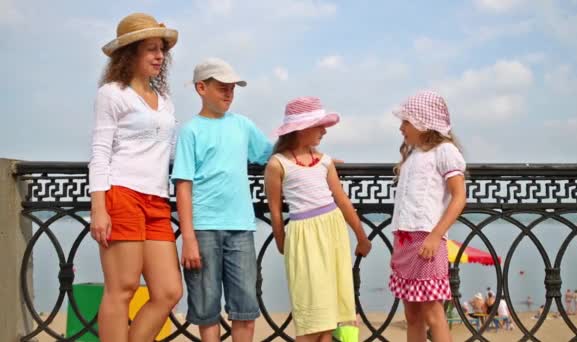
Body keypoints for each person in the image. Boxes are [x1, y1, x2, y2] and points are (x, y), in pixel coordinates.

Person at [88, 13, 182, 341]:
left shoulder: (165, 101)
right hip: (121, 194)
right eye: (150, 50)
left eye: (161, 50)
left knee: (169, 291)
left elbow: (169, 152)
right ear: (130, 54)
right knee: (122, 289)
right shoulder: (113, 93)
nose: (159, 56)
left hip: (157, 199)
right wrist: (98, 207)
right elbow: (100, 153)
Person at [172, 58, 272, 342]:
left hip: (241, 227)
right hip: (202, 229)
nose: (229, 94)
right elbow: (183, 185)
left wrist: (310, 156)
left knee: (245, 310)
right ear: (201, 88)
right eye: (222, 88)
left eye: (232, 88)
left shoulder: (243, 125)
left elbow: (270, 154)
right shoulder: (190, 131)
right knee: (207, 311)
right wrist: (188, 237)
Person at [264, 96, 372, 341]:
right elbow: (275, 210)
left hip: (333, 232)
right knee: (312, 316)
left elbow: (343, 201)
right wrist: (282, 242)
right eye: (319, 125)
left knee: (331, 317)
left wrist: (361, 236)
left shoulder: (324, 161)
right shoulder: (277, 164)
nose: (324, 130)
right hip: (304, 237)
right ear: (301, 129)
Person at [388, 91, 467, 342]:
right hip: (404, 239)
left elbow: (459, 198)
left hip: (427, 240)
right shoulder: (413, 154)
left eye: (406, 121)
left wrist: (435, 236)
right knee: (412, 315)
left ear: (423, 122)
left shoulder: (445, 151)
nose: (401, 127)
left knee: (433, 313)